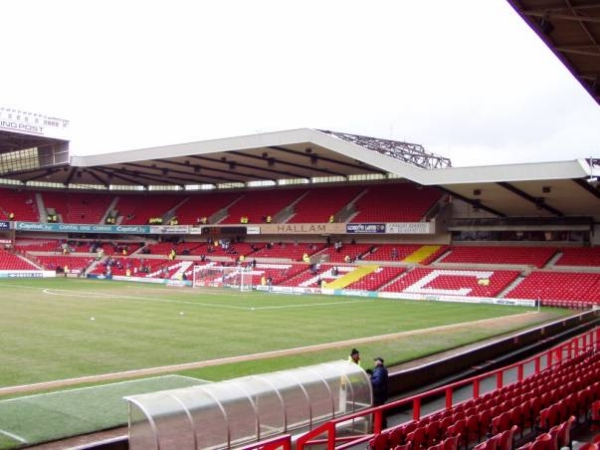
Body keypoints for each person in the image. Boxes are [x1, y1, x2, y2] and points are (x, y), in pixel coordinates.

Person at [370, 357, 389, 428]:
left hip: (378, 395)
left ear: (378, 362)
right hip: (382, 395)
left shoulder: (379, 370)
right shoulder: (382, 369)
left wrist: (369, 380)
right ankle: (383, 425)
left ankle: (379, 426)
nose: (374, 363)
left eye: (375, 361)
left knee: (377, 411)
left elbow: (377, 381)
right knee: (381, 411)